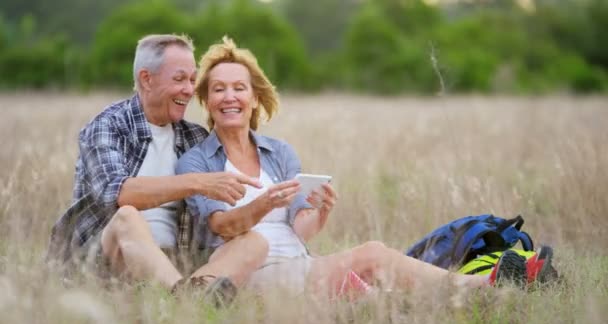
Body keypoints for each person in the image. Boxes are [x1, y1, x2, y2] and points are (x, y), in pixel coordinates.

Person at [176, 37, 542, 299]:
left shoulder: (278, 152)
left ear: (254, 97)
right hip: (245, 277)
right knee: (360, 277)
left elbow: (298, 231)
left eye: (238, 88)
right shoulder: (197, 162)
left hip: (299, 266)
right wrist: (263, 204)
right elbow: (220, 228)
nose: (229, 97)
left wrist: (320, 212)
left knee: (374, 252)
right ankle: (486, 288)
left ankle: (490, 285)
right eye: (218, 89)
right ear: (206, 100)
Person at [46, 34, 269, 304]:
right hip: (108, 261)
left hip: (176, 260)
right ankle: (185, 297)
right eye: (179, 79)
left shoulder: (194, 137)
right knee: (128, 215)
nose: (189, 90)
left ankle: (193, 294)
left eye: (191, 79)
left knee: (255, 243)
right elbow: (118, 193)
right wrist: (196, 182)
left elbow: (218, 216)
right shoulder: (107, 127)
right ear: (146, 79)